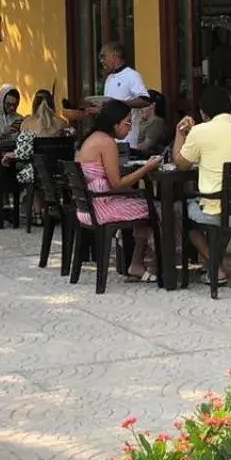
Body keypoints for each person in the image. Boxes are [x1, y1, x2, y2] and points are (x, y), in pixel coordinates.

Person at [172, 85, 231, 285]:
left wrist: (180, 133)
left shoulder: (200, 131)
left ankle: (214, 265)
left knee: (180, 210)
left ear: (203, 113)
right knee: (223, 208)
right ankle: (214, 262)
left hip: (220, 211)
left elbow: (181, 163)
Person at [76, 100, 161, 281]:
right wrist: (147, 168)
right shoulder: (106, 142)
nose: (130, 128)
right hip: (102, 207)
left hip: (88, 206)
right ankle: (152, 264)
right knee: (154, 209)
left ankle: (137, 263)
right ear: (114, 123)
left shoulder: (93, 137)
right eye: (127, 123)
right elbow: (117, 184)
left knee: (144, 204)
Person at [6, 89, 67, 188]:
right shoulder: (63, 123)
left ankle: (36, 202)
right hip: (60, 171)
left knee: (26, 174)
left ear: (34, 105)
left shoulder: (27, 123)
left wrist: (10, 155)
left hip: (36, 172)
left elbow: (23, 152)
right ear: (52, 104)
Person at [97, 43, 150, 145]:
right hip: (109, 138)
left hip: (127, 139)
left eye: (103, 56)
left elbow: (145, 100)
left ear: (114, 55)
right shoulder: (109, 79)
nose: (101, 61)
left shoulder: (132, 75)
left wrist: (119, 104)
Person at [135, 90, 170, 154]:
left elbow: (146, 146)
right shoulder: (141, 122)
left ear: (152, 105)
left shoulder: (157, 122)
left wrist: (130, 147)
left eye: (143, 105)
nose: (140, 109)